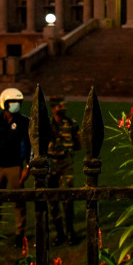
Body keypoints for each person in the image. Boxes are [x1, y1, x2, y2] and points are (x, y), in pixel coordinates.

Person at [0, 87, 32, 248]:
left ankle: (19, 234)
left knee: (18, 202)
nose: (15, 105)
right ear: (4, 103)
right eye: (12, 102)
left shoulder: (25, 122)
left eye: (18, 102)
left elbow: (30, 146)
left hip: (15, 167)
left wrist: (27, 166)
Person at [48, 95, 81, 246]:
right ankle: (59, 233)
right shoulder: (47, 125)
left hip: (66, 165)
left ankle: (70, 232)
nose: (63, 109)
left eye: (64, 106)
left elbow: (78, 143)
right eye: (60, 106)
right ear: (53, 108)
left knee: (68, 199)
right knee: (53, 202)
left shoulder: (71, 123)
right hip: (51, 167)